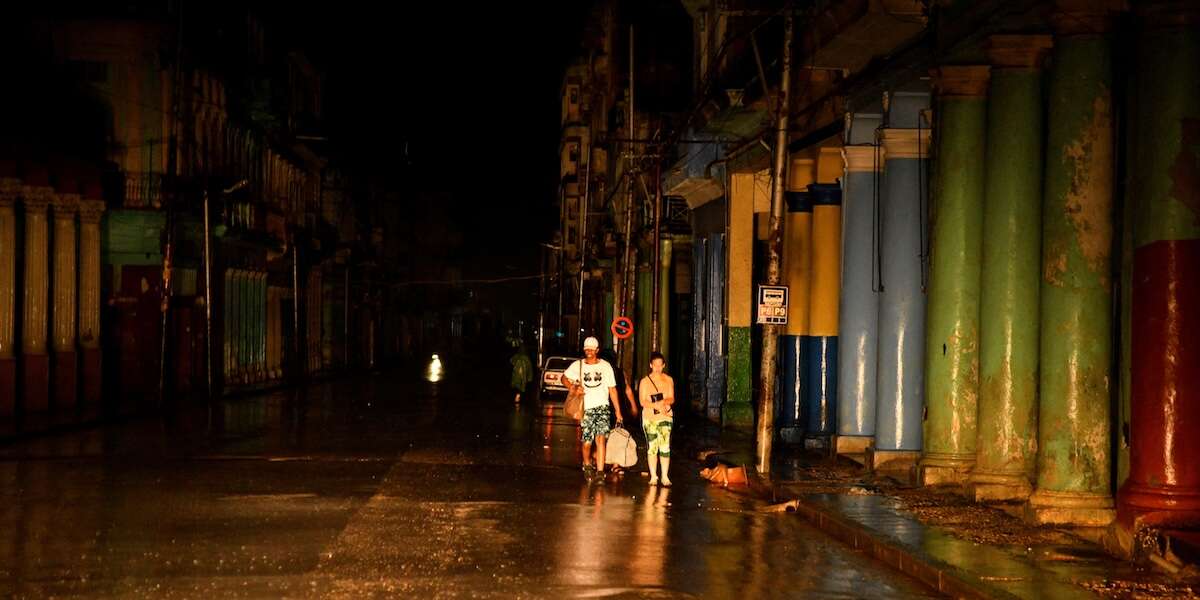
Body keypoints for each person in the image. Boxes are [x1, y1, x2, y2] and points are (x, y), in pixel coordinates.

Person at [561, 336, 624, 481]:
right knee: (587, 442)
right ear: (584, 349)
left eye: (592, 349)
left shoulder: (605, 366)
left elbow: (612, 389)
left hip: (602, 406)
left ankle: (601, 473)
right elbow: (564, 378)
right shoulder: (578, 365)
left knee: (601, 439)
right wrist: (573, 388)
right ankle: (588, 464)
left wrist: (618, 411)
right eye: (586, 348)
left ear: (597, 350)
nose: (589, 351)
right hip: (586, 408)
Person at [638, 352, 674, 487]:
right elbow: (642, 401)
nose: (658, 368)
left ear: (663, 365)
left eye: (660, 365)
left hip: (665, 416)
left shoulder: (668, 380)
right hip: (650, 417)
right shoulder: (645, 381)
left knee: (665, 446)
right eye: (655, 365)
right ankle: (653, 476)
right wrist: (656, 405)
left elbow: (672, 397)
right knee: (652, 447)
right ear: (651, 365)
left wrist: (664, 402)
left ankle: (665, 476)